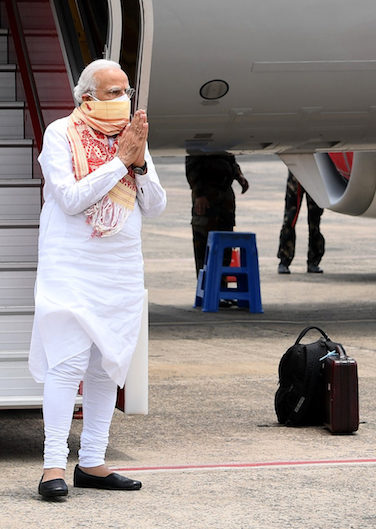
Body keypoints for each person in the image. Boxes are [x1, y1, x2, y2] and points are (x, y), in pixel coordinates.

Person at [29, 59, 167, 499]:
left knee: (109, 366)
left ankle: (92, 462)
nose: (122, 100)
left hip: (120, 267)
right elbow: (69, 199)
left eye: (126, 91)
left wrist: (138, 163)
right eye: (112, 92)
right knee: (67, 364)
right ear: (86, 97)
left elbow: (157, 206)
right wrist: (117, 163)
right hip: (71, 263)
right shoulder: (61, 134)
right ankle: (54, 466)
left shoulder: (132, 138)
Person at [186, 153, 248, 276]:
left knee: (225, 241)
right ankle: (205, 284)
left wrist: (238, 175)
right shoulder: (202, 138)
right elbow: (191, 167)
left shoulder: (223, 137)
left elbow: (230, 157)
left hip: (225, 196)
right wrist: (199, 194)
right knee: (204, 244)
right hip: (207, 195)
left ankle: (221, 283)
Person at [277, 171, 324, 274]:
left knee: (314, 223)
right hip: (297, 172)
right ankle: (284, 260)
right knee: (290, 220)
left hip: (316, 176)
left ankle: (314, 261)